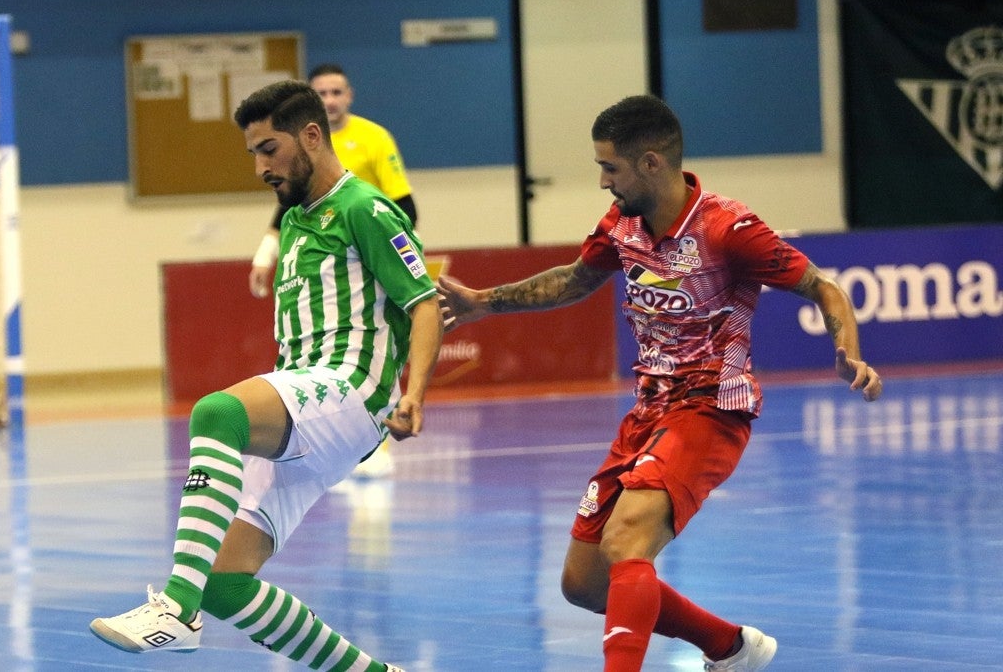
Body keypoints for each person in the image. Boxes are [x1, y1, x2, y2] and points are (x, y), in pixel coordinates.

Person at [436, 95, 882, 672]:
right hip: (648, 412)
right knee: (584, 582)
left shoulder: (727, 228)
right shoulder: (622, 225)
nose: (603, 181)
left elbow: (822, 285)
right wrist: (485, 302)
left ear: (651, 162)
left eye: (610, 168)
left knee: (627, 540)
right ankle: (731, 647)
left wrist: (849, 351)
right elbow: (574, 280)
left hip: (711, 406)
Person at [90, 80, 441, 672]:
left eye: (269, 149)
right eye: (253, 153)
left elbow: (424, 304)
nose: (260, 168)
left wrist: (416, 395)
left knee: (217, 413)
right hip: (310, 406)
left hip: (351, 389)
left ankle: (176, 610)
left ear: (311, 136)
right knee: (224, 581)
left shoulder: (365, 208)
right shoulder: (297, 222)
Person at [250, 64, 418, 480]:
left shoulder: (374, 138)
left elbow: (403, 205)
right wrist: (265, 254)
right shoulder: (292, 148)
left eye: (336, 92)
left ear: (349, 95)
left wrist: (386, 249)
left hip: (366, 249)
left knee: (371, 342)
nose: (330, 99)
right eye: (322, 93)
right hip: (322, 253)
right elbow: (288, 206)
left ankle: (372, 440)